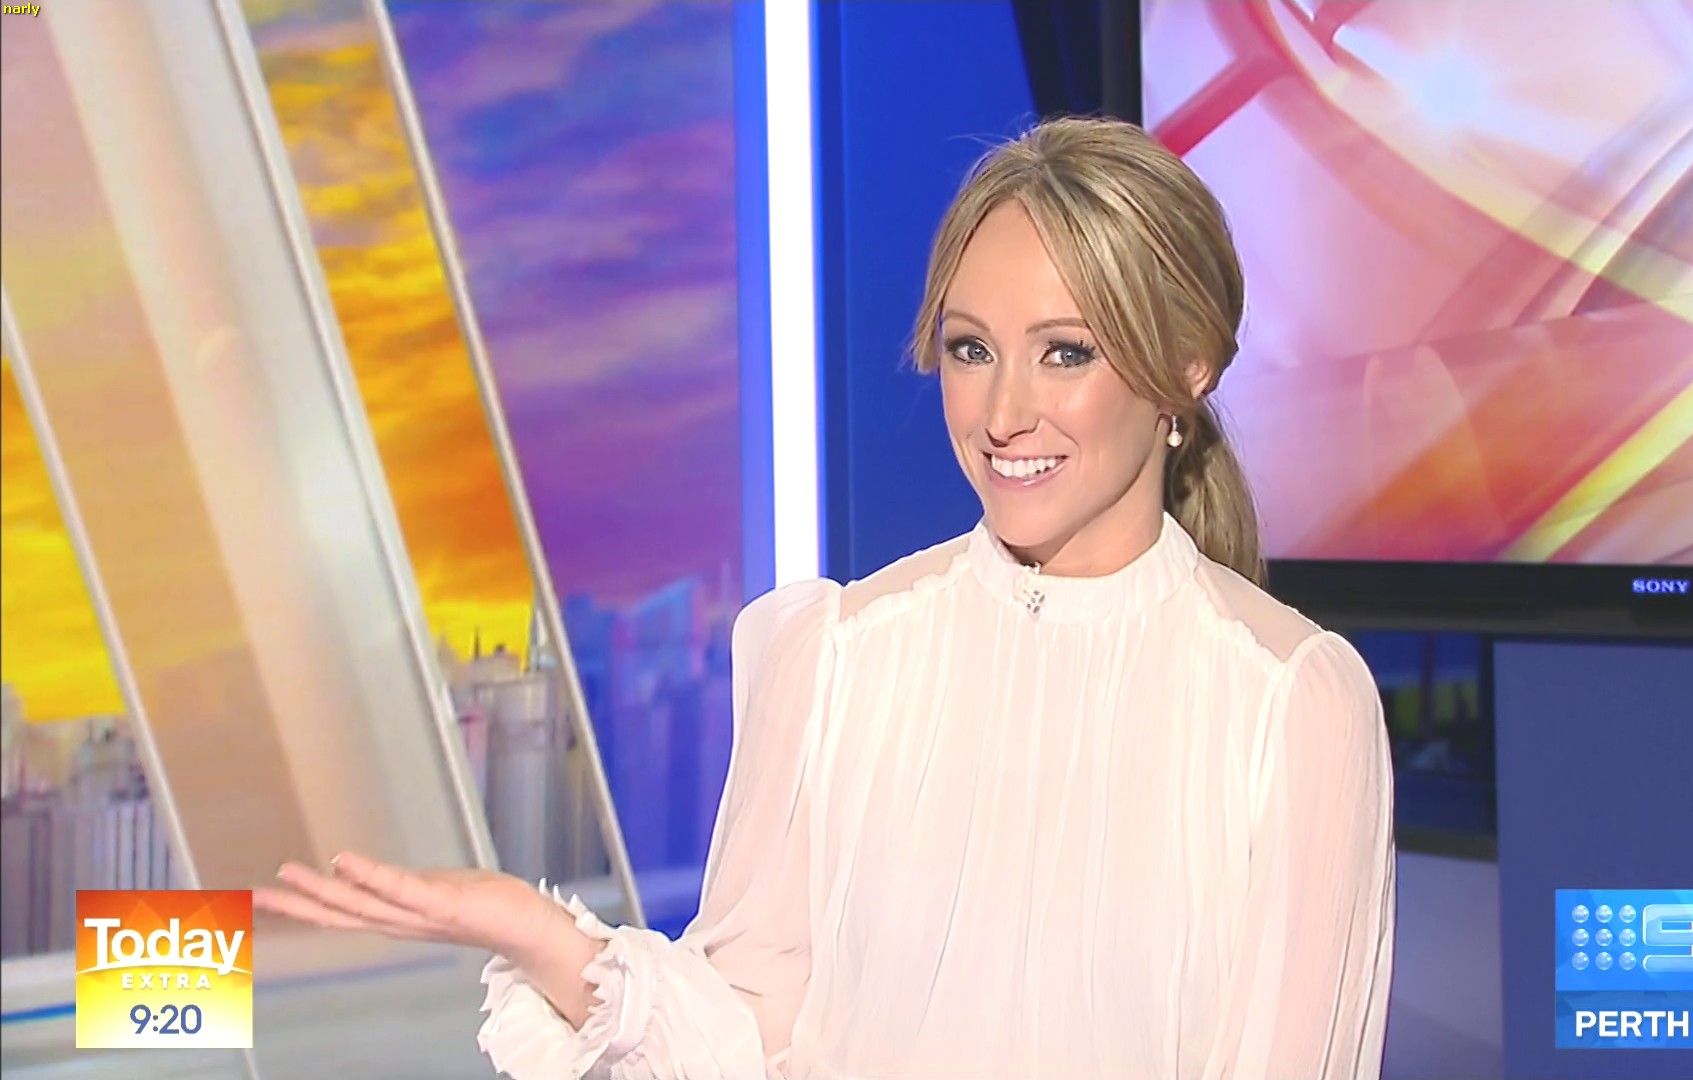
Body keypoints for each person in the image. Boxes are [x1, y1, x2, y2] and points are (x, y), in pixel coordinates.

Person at [257, 115, 1396, 1080]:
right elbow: (742, 1043)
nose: (1003, 414)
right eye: (970, 349)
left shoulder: (1290, 705)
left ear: (1188, 365)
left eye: (1065, 353)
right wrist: (544, 936)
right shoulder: (839, 660)